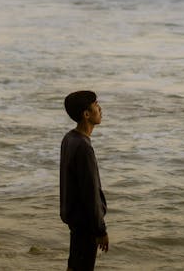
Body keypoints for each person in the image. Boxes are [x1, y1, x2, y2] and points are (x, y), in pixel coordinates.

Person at [60, 90, 109, 271]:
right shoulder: (83, 147)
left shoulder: (69, 138)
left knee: (74, 266)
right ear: (86, 114)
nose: (100, 108)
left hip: (75, 219)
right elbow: (90, 193)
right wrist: (100, 230)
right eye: (96, 105)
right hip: (86, 222)